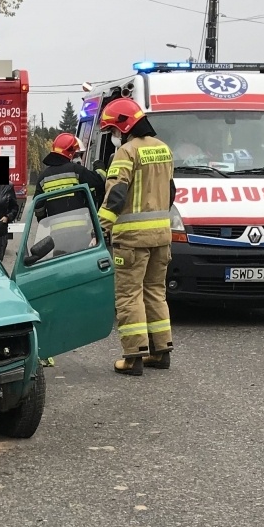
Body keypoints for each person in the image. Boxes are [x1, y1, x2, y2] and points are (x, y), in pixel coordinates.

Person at [97, 96, 175, 375]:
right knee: (155, 292)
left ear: (124, 125)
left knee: (129, 296)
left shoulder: (126, 152)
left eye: (113, 130)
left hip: (132, 241)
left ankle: (133, 357)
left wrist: (100, 228)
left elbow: (116, 195)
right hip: (162, 237)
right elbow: (170, 192)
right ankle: (161, 351)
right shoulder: (164, 149)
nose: (113, 136)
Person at [31, 131, 107, 217]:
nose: (79, 159)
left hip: (55, 225)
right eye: (77, 155)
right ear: (70, 153)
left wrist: (44, 220)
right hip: (80, 224)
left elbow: (38, 207)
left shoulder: (43, 178)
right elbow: (100, 180)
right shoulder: (76, 170)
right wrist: (99, 164)